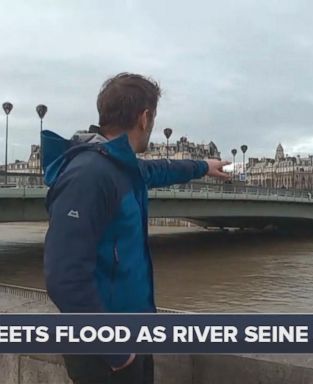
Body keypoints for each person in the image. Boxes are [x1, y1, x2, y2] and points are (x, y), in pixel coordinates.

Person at [42, 72, 230, 384]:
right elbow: (64, 278)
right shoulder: (90, 175)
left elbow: (156, 170)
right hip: (104, 353)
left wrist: (202, 167)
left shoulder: (119, 167)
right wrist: (116, 352)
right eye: (153, 118)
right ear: (144, 118)